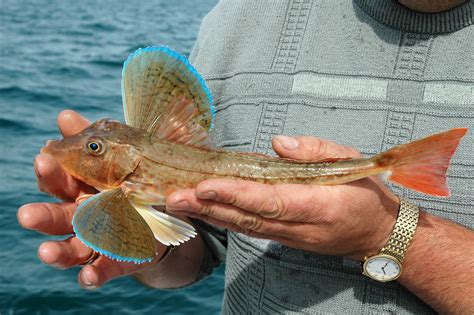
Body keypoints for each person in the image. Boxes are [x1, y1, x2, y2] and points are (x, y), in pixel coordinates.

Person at [18, 0, 473, 313]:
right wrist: (153, 251)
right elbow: (206, 242)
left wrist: (389, 234)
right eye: (93, 147)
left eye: (95, 150)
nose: (80, 152)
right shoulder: (235, 19)